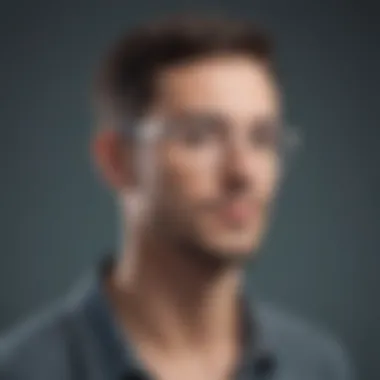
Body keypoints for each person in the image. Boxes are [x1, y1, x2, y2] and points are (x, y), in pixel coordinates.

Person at [0, 14, 353, 380]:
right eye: (200, 136)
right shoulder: (22, 370)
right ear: (117, 160)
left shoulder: (317, 365)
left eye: (262, 138)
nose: (243, 172)